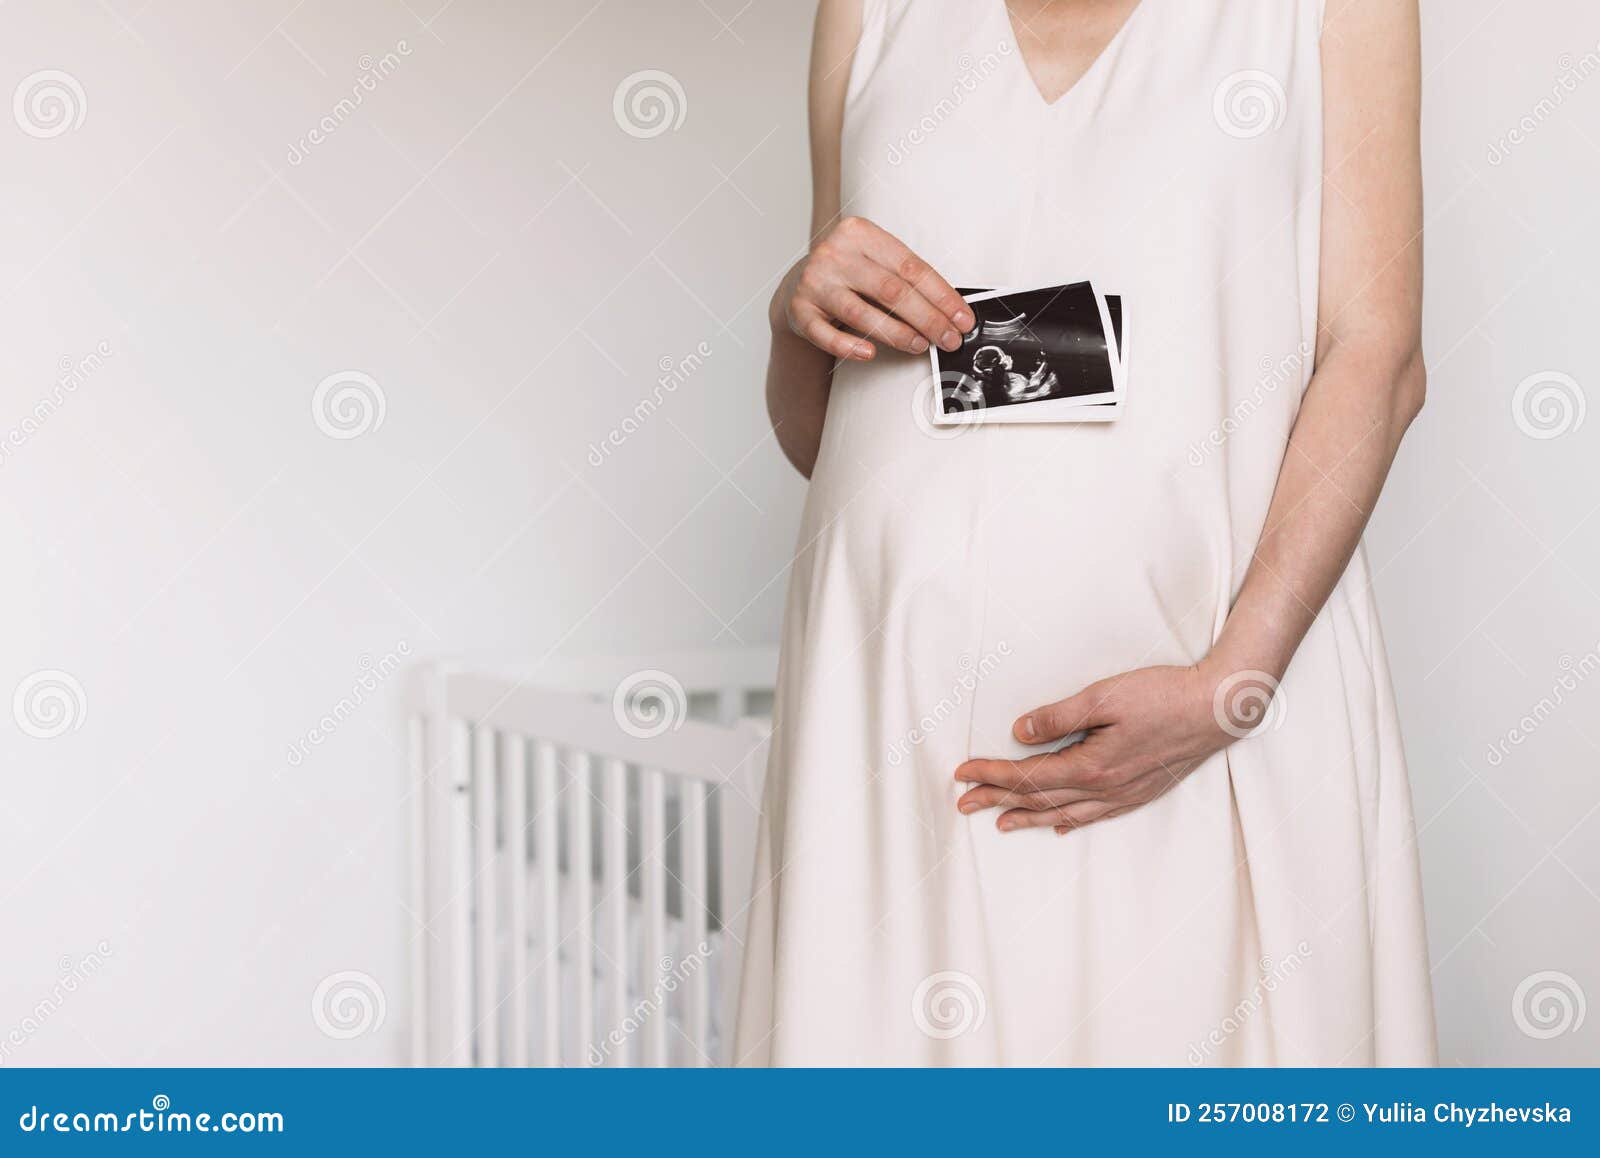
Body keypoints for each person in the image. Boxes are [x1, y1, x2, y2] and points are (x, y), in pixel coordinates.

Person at [739, 0, 1434, 1066]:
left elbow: (1375, 358)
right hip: (897, 733)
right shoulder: (869, 13)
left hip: (1204, 719)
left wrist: (1226, 687)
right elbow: (821, 438)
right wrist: (795, 310)